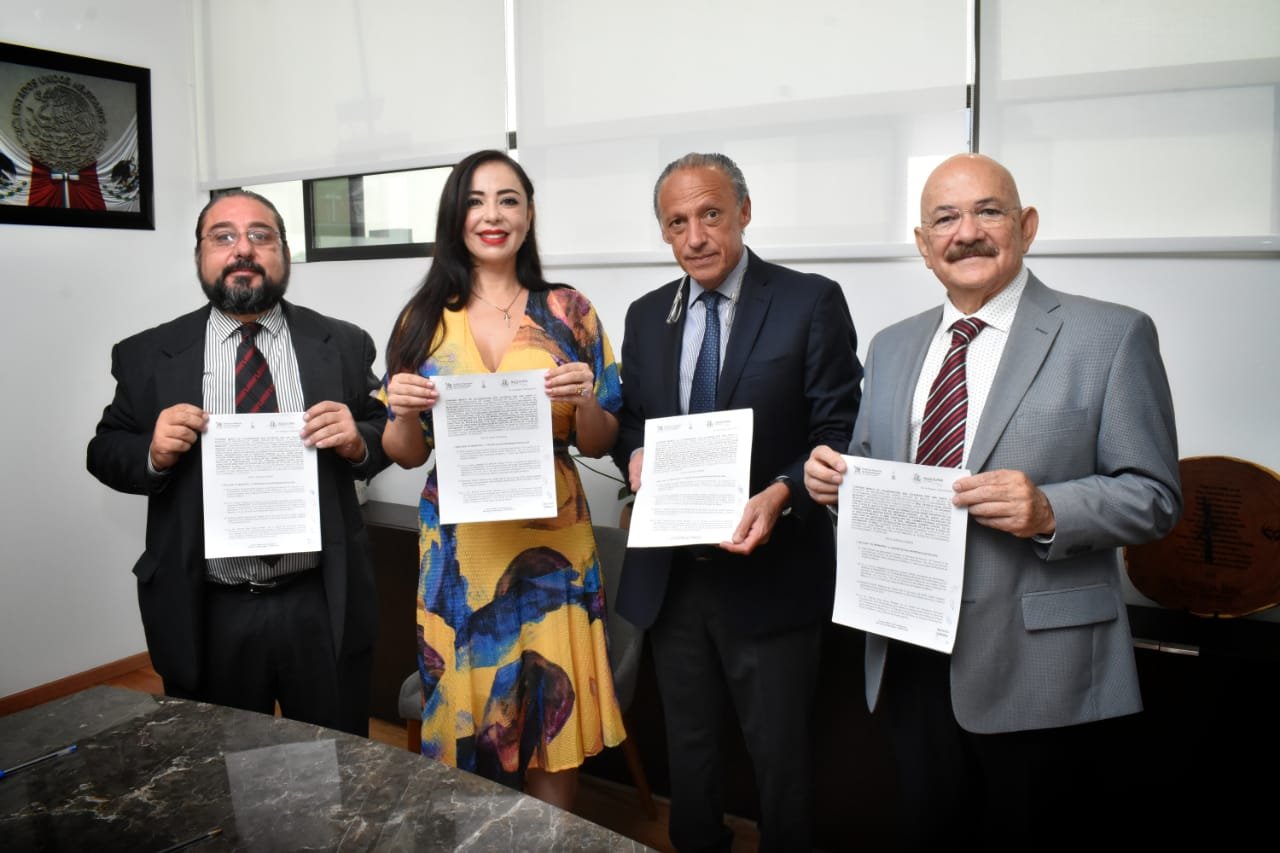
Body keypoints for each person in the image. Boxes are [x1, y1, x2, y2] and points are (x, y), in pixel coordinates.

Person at [804, 153, 1182, 845]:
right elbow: (871, 472)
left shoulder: (1111, 335)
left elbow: (1155, 496)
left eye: (988, 211)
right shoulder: (891, 346)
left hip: (1039, 664)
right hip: (907, 648)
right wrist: (833, 488)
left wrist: (1050, 510)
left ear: (1026, 225)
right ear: (924, 244)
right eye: (945, 218)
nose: (967, 232)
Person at [612, 152, 862, 852]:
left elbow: (840, 429)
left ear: (744, 212)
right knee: (688, 758)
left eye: (711, 214)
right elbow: (631, 420)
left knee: (781, 760)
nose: (695, 237)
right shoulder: (645, 315)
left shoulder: (810, 301)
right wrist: (632, 453)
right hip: (674, 578)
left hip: (773, 574)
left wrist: (782, 493)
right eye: (677, 222)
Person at [87, 189, 390, 736]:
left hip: (320, 599)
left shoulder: (343, 343)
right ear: (200, 255)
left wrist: (358, 440)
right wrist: (152, 451)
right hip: (206, 606)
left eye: (260, 236)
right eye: (223, 236)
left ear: (284, 253)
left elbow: (386, 430)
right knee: (216, 767)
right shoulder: (147, 354)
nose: (242, 249)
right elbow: (104, 450)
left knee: (333, 761)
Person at [380, 150, 625, 808]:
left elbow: (600, 439)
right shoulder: (420, 319)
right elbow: (405, 453)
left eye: (508, 199)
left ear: (529, 214)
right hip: (461, 555)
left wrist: (586, 399)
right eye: (475, 200)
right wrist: (401, 411)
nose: (492, 214)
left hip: (554, 550)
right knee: (469, 729)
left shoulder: (569, 310)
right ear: (455, 217)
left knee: (552, 725)